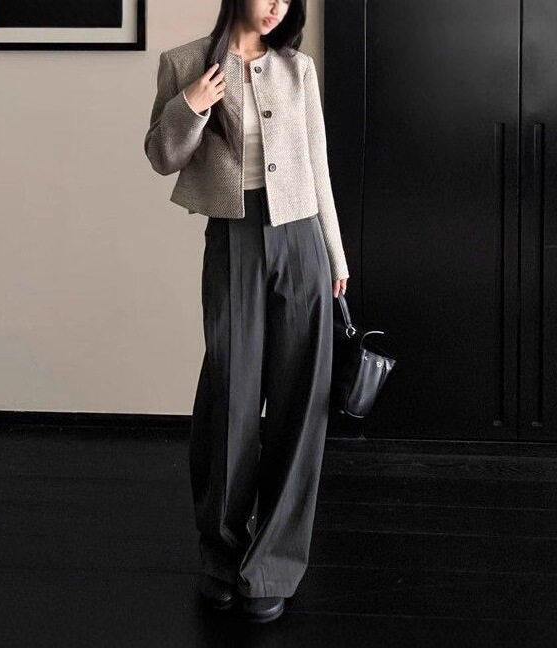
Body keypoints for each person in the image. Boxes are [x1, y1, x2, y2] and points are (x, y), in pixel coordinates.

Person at [144, 0, 350, 624]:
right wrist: (191, 105)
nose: (277, 6)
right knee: (230, 396)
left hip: (302, 240)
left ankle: (274, 566)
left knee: (299, 402)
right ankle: (222, 556)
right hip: (233, 237)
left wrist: (335, 255)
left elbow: (317, 165)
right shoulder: (184, 62)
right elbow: (161, 156)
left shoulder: (297, 69)